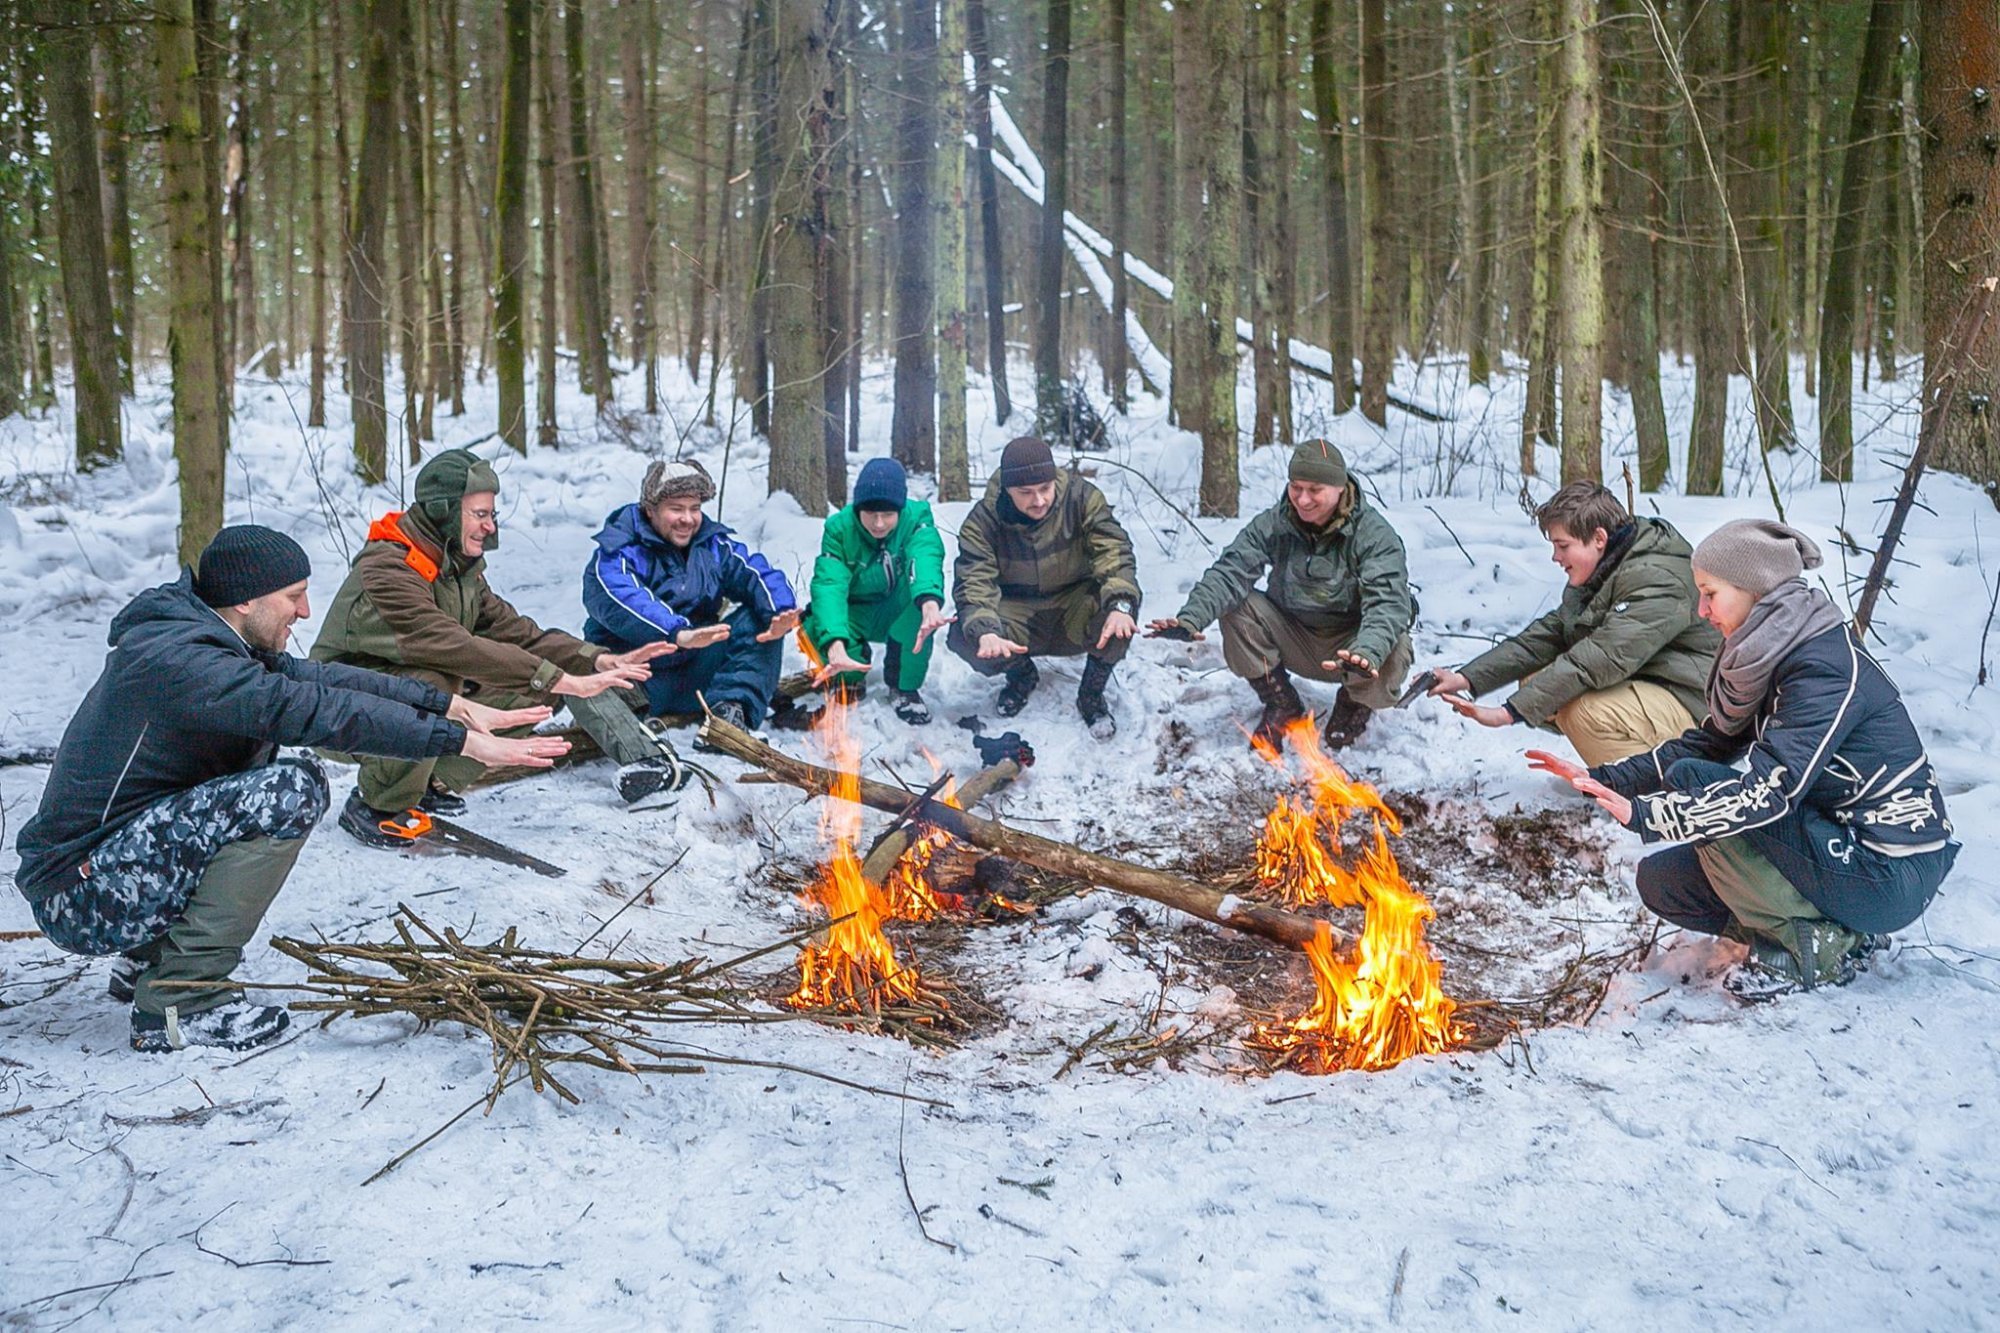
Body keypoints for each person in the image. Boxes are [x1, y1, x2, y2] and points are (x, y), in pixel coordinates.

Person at [13, 526, 568, 1052]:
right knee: (286, 791)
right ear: (246, 601)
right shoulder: (184, 661)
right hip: (81, 895)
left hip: (107, 870)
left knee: (248, 782)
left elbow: (319, 680)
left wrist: (447, 705)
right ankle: (180, 1001)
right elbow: (310, 710)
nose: (304, 612)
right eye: (294, 596)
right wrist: (457, 743)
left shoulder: (203, 638)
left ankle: (149, 957)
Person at [1531, 519, 1957, 1000]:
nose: (1702, 609)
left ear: (1755, 590)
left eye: (1711, 593)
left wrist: (1649, 814)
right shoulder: (1769, 653)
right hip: (1837, 843)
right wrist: (1603, 779)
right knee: (1664, 883)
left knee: (1695, 781)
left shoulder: (1823, 668)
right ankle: (1832, 930)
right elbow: (1707, 743)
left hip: (1889, 871)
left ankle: (1819, 945)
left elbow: (1769, 791)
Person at [312, 448, 678, 835]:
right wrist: (551, 676)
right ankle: (376, 806)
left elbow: (519, 634)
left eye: (492, 515)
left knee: (528, 691)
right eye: (480, 514)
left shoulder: (457, 568)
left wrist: (594, 659)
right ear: (444, 511)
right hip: (335, 710)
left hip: (403, 695)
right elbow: (451, 646)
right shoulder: (388, 570)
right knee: (431, 686)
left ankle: (431, 779)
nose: (490, 527)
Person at [1426, 481, 1720, 766]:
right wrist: (1466, 678)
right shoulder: (1607, 568)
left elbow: (1598, 659)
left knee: (1583, 710)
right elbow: (1548, 636)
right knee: (1537, 681)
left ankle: (1656, 788)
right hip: (1658, 684)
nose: (1555, 557)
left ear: (1599, 538)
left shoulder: (1658, 579)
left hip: (1699, 709)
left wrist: (1509, 712)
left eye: (1562, 545)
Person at [1147, 439, 1413, 750]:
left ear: (1340, 487)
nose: (1302, 499)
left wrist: (1367, 652)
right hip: (1294, 637)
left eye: (1315, 490)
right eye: (1296, 487)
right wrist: (1191, 618)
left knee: (1395, 646)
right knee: (1237, 606)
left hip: (1350, 648)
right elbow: (1230, 571)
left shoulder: (1374, 535)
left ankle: (1354, 703)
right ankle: (1281, 701)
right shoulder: (1276, 522)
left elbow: (1388, 603)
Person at [582, 459, 801, 744]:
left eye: (694, 508)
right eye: (676, 509)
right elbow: (625, 598)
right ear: (650, 510)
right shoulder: (616, 552)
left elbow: (755, 573)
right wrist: (678, 633)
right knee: (609, 690)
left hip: (696, 670)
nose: (688, 519)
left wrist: (780, 611)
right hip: (640, 680)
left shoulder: (712, 545)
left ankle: (728, 715)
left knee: (759, 620)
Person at [947, 436, 1141, 739]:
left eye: (1045, 489)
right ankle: (1021, 675)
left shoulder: (1082, 498)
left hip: (1075, 606)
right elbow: (974, 580)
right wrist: (985, 630)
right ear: (1007, 489)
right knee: (965, 634)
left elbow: (1113, 553)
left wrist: (1121, 604)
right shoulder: (982, 521)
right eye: (1025, 492)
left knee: (1119, 615)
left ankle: (1091, 693)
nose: (1038, 501)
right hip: (1017, 614)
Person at [802, 457, 953, 725]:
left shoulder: (917, 519)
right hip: (856, 610)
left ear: (900, 509)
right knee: (815, 623)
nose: (879, 524)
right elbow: (830, 585)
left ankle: (904, 687)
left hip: (897, 608)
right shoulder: (839, 529)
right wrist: (834, 641)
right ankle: (849, 677)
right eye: (871, 514)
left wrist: (929, 602)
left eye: (888, 515)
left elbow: (925, 557)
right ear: (858, 509)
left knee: (921, 619)